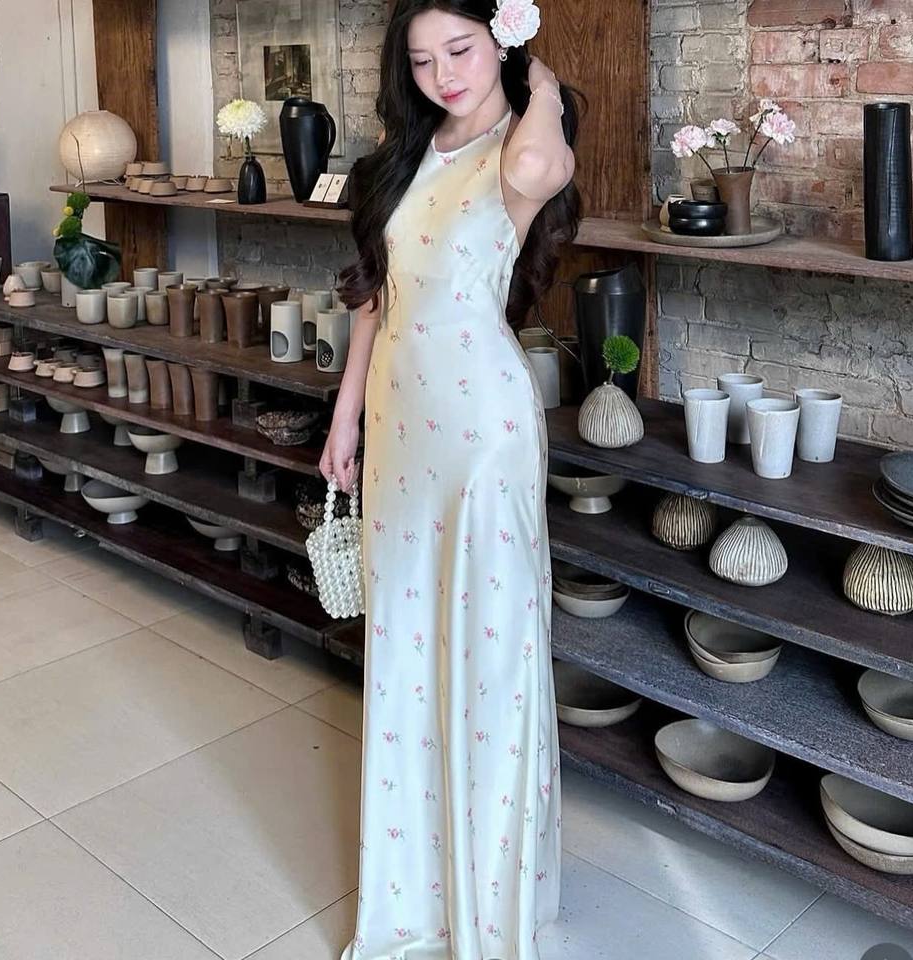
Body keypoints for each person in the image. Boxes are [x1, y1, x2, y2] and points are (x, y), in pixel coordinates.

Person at [320, 0, 581, 956]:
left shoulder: (519, 148)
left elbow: (539, 167)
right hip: (401, 428)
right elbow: (375, 297)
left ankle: (488, 901)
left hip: (482, 436)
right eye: (423, 60)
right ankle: (413, 889)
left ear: (500, 41)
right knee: (408, 643)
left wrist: (538, 81)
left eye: (462, 50)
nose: (443, 76)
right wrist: (345, 415)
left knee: (490, 661)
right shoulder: (408, 156)